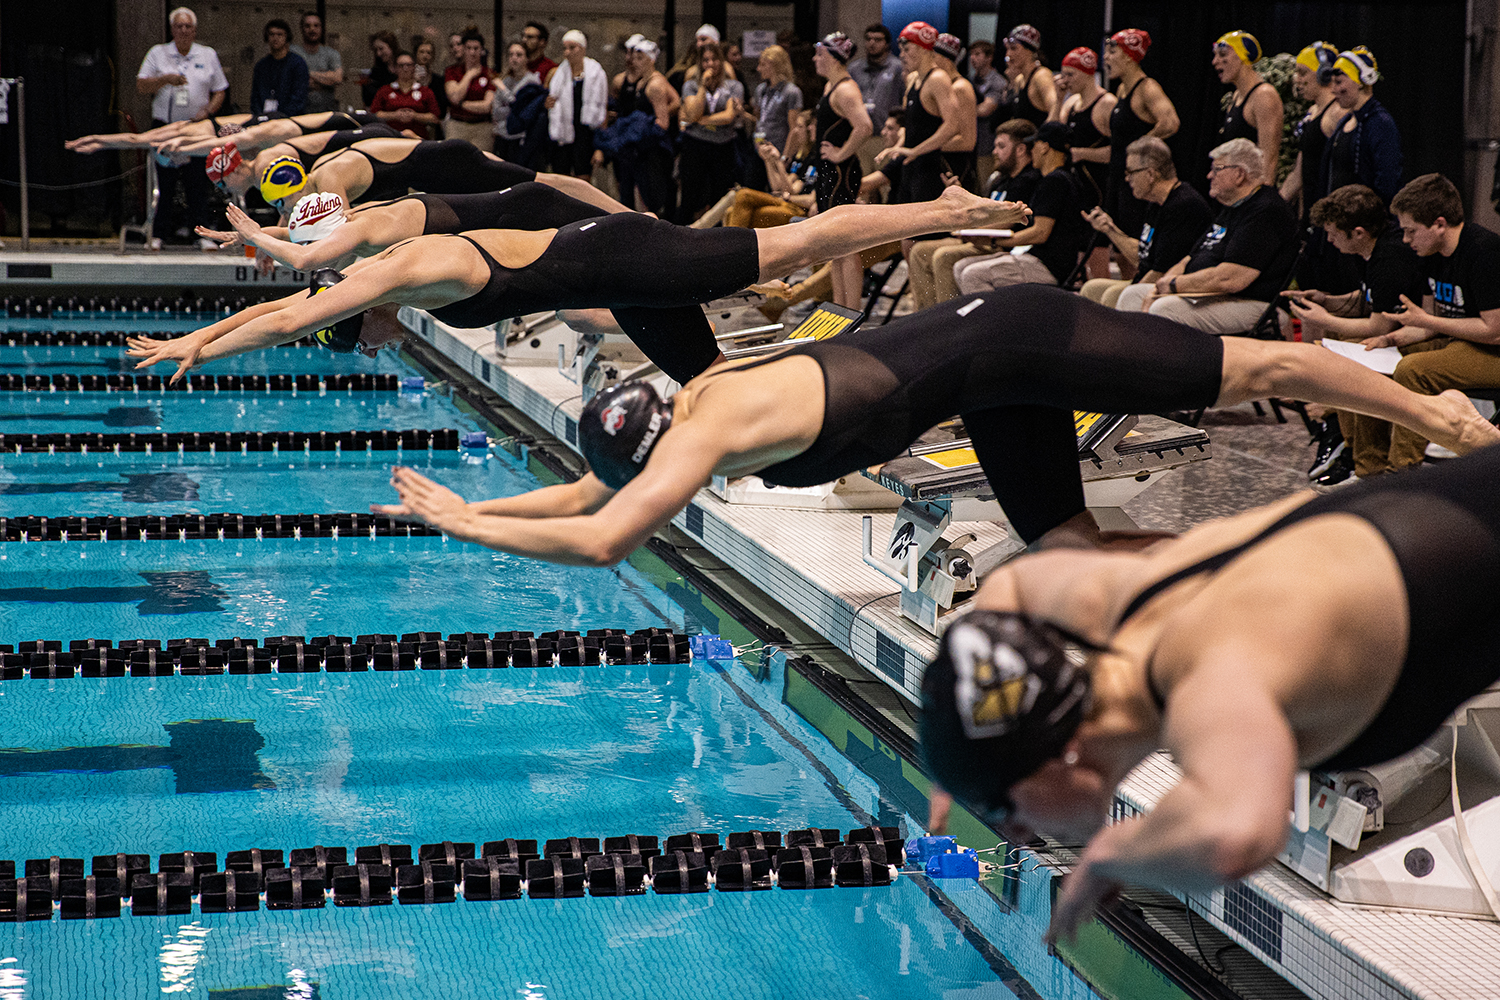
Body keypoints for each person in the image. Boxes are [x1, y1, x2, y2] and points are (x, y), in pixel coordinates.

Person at [360, 283, 1499, 575]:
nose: (664, 483)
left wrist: (474, 534)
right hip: (991, 377)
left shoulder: (701, 438)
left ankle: (1428, 405)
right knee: (1069, 559)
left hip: (1020, 331)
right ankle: (1300, 546)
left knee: (1246, 362)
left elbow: (609, 533)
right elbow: (595, 495)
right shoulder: (688, 403)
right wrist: (472, 505)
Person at [919, 439, 1500, 944]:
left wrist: (1109, 854)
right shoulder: (1119, 600)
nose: (1014, 833)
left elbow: (1236, 835)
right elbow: (1015, 587)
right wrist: (967, 732)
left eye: (1004, 810)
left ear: (1055, 759)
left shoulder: (1209, 677)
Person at [127, 188, 1029, 386]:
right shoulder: (382, 286)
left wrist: (202, 350)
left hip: (632, 256)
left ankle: (941, 207)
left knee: (795, 245)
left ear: (362, 324)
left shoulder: (390, 278)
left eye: (360, 342)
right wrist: (192, 341)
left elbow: (291, 319)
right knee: (709, 389)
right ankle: (862, 384)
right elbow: (287, 306)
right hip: (619, 275)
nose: (378, 350)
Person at [1334, 173, 1500, 477]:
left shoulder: (1484, 252)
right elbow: (1428, 324)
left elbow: (1494, 331)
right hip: (1459, 341)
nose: (1406, 240)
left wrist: (1427, 322)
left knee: (1414, 370)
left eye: (1411, 231)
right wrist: (1389, 340)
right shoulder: (1430, 253)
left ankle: (1402, 474)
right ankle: (1368, 470)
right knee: (1366, 360)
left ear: (1439, 224)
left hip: (1492, 350)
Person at [1282, 184, 1427, 484]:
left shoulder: (1390, 257)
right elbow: (1367, 298)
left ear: (1358, 232)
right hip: (1401, 331)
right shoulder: (1372, 253)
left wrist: (1324, 317)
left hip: (1415, 336)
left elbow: (1380, 325)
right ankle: (1347, 445)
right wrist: (1327, 300)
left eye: (1334, 233)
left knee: (1346, 358)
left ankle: (1354, 451)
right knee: (1338, 346)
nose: (1330, 239)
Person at [199, 181, 625, 275]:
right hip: (520, 206)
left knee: (631, 233)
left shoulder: (356, 232)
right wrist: (252, 237)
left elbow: (307, 258)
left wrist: (257, 237)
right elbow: (302, 241)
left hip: (527, 210)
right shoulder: (354, 219)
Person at [206, 133, 625, 218]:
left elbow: (346, 229)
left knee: (541, 184)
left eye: (287, 207)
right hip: (441, 160)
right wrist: (262, 241)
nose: (289, 213)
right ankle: (615, 212)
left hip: (449, 165)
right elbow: (293, 209)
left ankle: (621, 213)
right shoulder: (313, 177)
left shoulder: (329, 182)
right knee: (534, 185)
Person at [1116, 138, 1297, 334]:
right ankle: (1132, 362)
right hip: (1211, 294)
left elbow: (1231, 279)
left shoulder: (1265, 211)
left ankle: (1164, 364)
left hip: (1251, 301)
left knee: (1164, 309)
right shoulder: (1231, 207)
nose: (1209, 175)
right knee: (1133, 295)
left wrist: (1175, 285)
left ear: (1239, 174)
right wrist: (1159, 287)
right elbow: (1189, 259)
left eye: (1217, 169)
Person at [908, 118, 1039, 309]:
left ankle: (952, 323)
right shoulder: (1000, 179)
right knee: (919, 251)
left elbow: (1009, 222)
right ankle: (926, 317)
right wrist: (962, 196)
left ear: (1020, 150)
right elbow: (984, 209)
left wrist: (973, 229)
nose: (994, 152)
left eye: (1001, 146)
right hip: (978, 236)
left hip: (999, 244)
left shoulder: (1028, 181)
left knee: (943, 257)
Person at [954, 121, 1088, 293]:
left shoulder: (1055, 181)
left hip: (1049, 265)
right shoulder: (1059, 179)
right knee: (961, 267)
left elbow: (1040, 233)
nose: (1032, 151)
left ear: (1045, 147)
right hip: (1038, 258)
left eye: (1035, 145)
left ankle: (995, 320)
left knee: (973, 274)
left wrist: (994, 241)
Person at [1080, 136, 1213, 310]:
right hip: (1151, 280)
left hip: (1174, 287)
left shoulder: (1183, 206)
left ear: (1150, 174)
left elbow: (1161, 270)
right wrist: (1110, 229)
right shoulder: (1157, 203)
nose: (1127, 179)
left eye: (1130, 172)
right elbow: (1144, 255)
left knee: (1115, 295)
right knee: (1092, 288)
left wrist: (1132, 290)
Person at [134, 7, 228, 247]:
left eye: (188, 26)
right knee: (163, 183)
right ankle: (158, 234)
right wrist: (165, 79)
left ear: (194, 30)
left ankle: (202, 235)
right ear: (172, 29)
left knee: (197, 183)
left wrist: (207, 112)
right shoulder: (158, 53)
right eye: (179, 26)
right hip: (165, 126)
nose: (184, 30)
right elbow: (142, 86)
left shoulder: (207, 54)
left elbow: (220, 91)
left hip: (196, 128)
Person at [1101, 30, 1179, 279]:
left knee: (1134, 246)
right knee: (1120, 248)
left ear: (1129, 56)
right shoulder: (1123, 89)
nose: (1106, 57)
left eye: (1112, 51)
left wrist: (1141, 150)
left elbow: (1170, 122)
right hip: (1120, 179)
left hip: (1138, 183)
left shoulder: (1147, 88)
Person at [1281, 41, 1351, 294]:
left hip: (1329, 220)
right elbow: (1301, 168)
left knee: (1327, 289)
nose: (1297, 80)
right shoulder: (1314, 112)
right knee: (1308, 286)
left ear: (1324, 74)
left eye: (1303, 72)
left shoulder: (1336, 115)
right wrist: (1277, 203)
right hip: (1310, 215)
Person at [812, 33, 875, 310]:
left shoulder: (846, 90)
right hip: (829, 172)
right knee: (835, 246)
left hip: (841, 174)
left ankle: (851, 312)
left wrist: (840, 154)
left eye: (820, 54)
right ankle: (840, 308)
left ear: (834, 57)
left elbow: (865, 126)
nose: (815, 59)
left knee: (846, 245)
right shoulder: (831, 87)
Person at [880, 23, 959, 205]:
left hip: (929, 169)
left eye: (907, 50)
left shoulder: (938, 79)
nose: (902, 56)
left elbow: (952, 125)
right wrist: (898, 147)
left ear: (923, 48)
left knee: (925, 232)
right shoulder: (914, 79)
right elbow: (911, 126)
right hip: (910, 167)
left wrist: (916, 151)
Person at [1052, 46, 1113, 278]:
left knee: (1097, 256)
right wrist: (1058, 100)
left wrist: (1082, 153)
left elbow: (1120, 152)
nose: (1065, 80)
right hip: (1075, 190)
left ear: (1088, 73)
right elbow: (1051, 136)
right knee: (1076, 259)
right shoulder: (1071, 104)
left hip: (1098, 188)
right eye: (1063, 74)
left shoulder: (1106, 104)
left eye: (1071, 74)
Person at [600, 39, 677, 216]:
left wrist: (639, 133)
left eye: (640, 58)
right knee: (631, 192)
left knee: (651, 197)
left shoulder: (656, 84)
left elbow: (663, 122)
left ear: (651, 59)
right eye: (634, 57)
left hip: (650, 150)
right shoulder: (642, 82)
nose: (634, 61)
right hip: (638, 149)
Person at [1322, 47, 1402, 204]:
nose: (1333, 90)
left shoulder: (1380, 123)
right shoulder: (1346, 122)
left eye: (1339, 82)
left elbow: (1388, 182)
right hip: (1342, 220)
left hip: (1365, 222)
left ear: (1360, 82)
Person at [678, 42, 745, 223]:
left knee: (720, 196)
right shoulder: (690, 86)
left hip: (724, 146)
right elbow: (692, 113)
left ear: (721, 61)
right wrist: (702, 86)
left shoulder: (734, 86)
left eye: (714, 59)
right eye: (706, 60)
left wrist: (702, 121)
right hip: (696, 145)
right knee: (691, 195)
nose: (710, 64)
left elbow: (728, 116)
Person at [1210, 31, 1282, 186]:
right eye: (1215, 55)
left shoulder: (1264, 95)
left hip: (1253, 195)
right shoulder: (1236, 96)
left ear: (1244, 56)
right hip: (1237, 192)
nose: (1215, 62)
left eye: (1223, 55)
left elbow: (1269, 160)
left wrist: (1261, 202)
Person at [543, 30, 607, 179]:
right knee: (562, 180)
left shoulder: (596, 74)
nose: (567, 52)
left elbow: (602, 110)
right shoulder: (556, 74)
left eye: (572, 48)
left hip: (585, 134)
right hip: (562, 135)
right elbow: (547, 103)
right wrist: (547, 104)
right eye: (565, 48)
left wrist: (600, 147)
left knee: (582, 180)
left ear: (583, 48)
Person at [847, 24, 904, 172]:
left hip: (886, 137)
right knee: (861, 186)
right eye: (868, 39)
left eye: (877, 40)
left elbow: (904, 102)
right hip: (860, 137)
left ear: (887, 43)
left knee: (884, 186)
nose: (872, 43)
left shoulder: (898, 68)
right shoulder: (854, 69)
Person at [934, 34, 979, 193]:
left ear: (945, 59)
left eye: (933, 57)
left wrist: (928, 147)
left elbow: (968, 140)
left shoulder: (960, 88)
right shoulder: (943, 87)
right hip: (943, 162)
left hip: (958, 167)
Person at [443, 28, 497, 149]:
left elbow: (487, 106)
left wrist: (462, 104)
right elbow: (455, 97)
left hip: (482, 127)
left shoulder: (489, 74)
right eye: (468, 48)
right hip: (457, 124)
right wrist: (469, 75)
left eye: (476, 48)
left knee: (481, 163)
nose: (472, 52)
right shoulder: (452, 71)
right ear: (463, 49)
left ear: (482, 50)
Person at [368, 52, 441, 138]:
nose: (405, 68)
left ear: (414, 67)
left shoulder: (425, 91)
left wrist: (414, 116)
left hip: (418, 139)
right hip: (390, 138)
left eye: (408, 65)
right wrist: (395, 115)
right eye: (401, 65)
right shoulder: (385, 90)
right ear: (395, 68)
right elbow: (375, 114)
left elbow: (434, 117)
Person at [750, 45, 802, 162]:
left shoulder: (791, 92)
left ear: (776, 66)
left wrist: (786, 156)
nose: (758, 68)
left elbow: (793, 128)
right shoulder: (761, 89)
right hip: (759, 149)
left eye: (763, 64)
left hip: (778, 151)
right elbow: (759, 121)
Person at [249, 19, 310, 116]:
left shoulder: (297, 63)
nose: (275, 38)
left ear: (287, 37)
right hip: (263, 117)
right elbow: (255, 97)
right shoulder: (261, 65)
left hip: (289, 118)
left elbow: (299, 97)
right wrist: (260, 115)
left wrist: (282, 116)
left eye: (280, 35)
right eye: (272, 34)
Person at [493, 42, 542, 162]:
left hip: (520, 138)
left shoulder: (532, 82)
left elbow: (521, 110)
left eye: (519, 55)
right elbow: (496, 112)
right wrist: (510, 108)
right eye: (511, 55)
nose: (514, 58)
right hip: (502, 135)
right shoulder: (506, 80)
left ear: (527, 58)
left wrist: (504, 91)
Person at [997, 25, 1054, 128]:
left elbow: (1055, 110)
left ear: (1029, 50)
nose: (1008, 54)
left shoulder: (1041, 76)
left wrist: (1043, 138)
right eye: (1008, 49)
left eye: (1014, 48)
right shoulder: (1019, 79)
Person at [968, 41, 1007, 184]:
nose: (973, 58)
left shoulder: (997, 82)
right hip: (973, 143)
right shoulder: (971, 80)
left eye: (977, 54)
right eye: (971, 54)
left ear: (989, 57)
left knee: (985, 185)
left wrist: (961, 112)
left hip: (987, 145)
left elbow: (986, 109)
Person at [293, 12, 343, 114]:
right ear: (301, 29)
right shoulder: (293, 52)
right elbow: (290, 80)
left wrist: (307, 74)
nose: (312, 29)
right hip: (298, 112)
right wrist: (324, 78)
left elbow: (337, 78)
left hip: (326, 112)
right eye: (307, 26)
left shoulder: (331, 54)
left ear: (321, 28)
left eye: (316, 26)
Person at [361, 31, 399, 107]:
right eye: (376, 50)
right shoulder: (377, 70)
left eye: (381, 49)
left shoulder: (405, 64)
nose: (378, 53)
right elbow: (369, 99)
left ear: (391, 47)